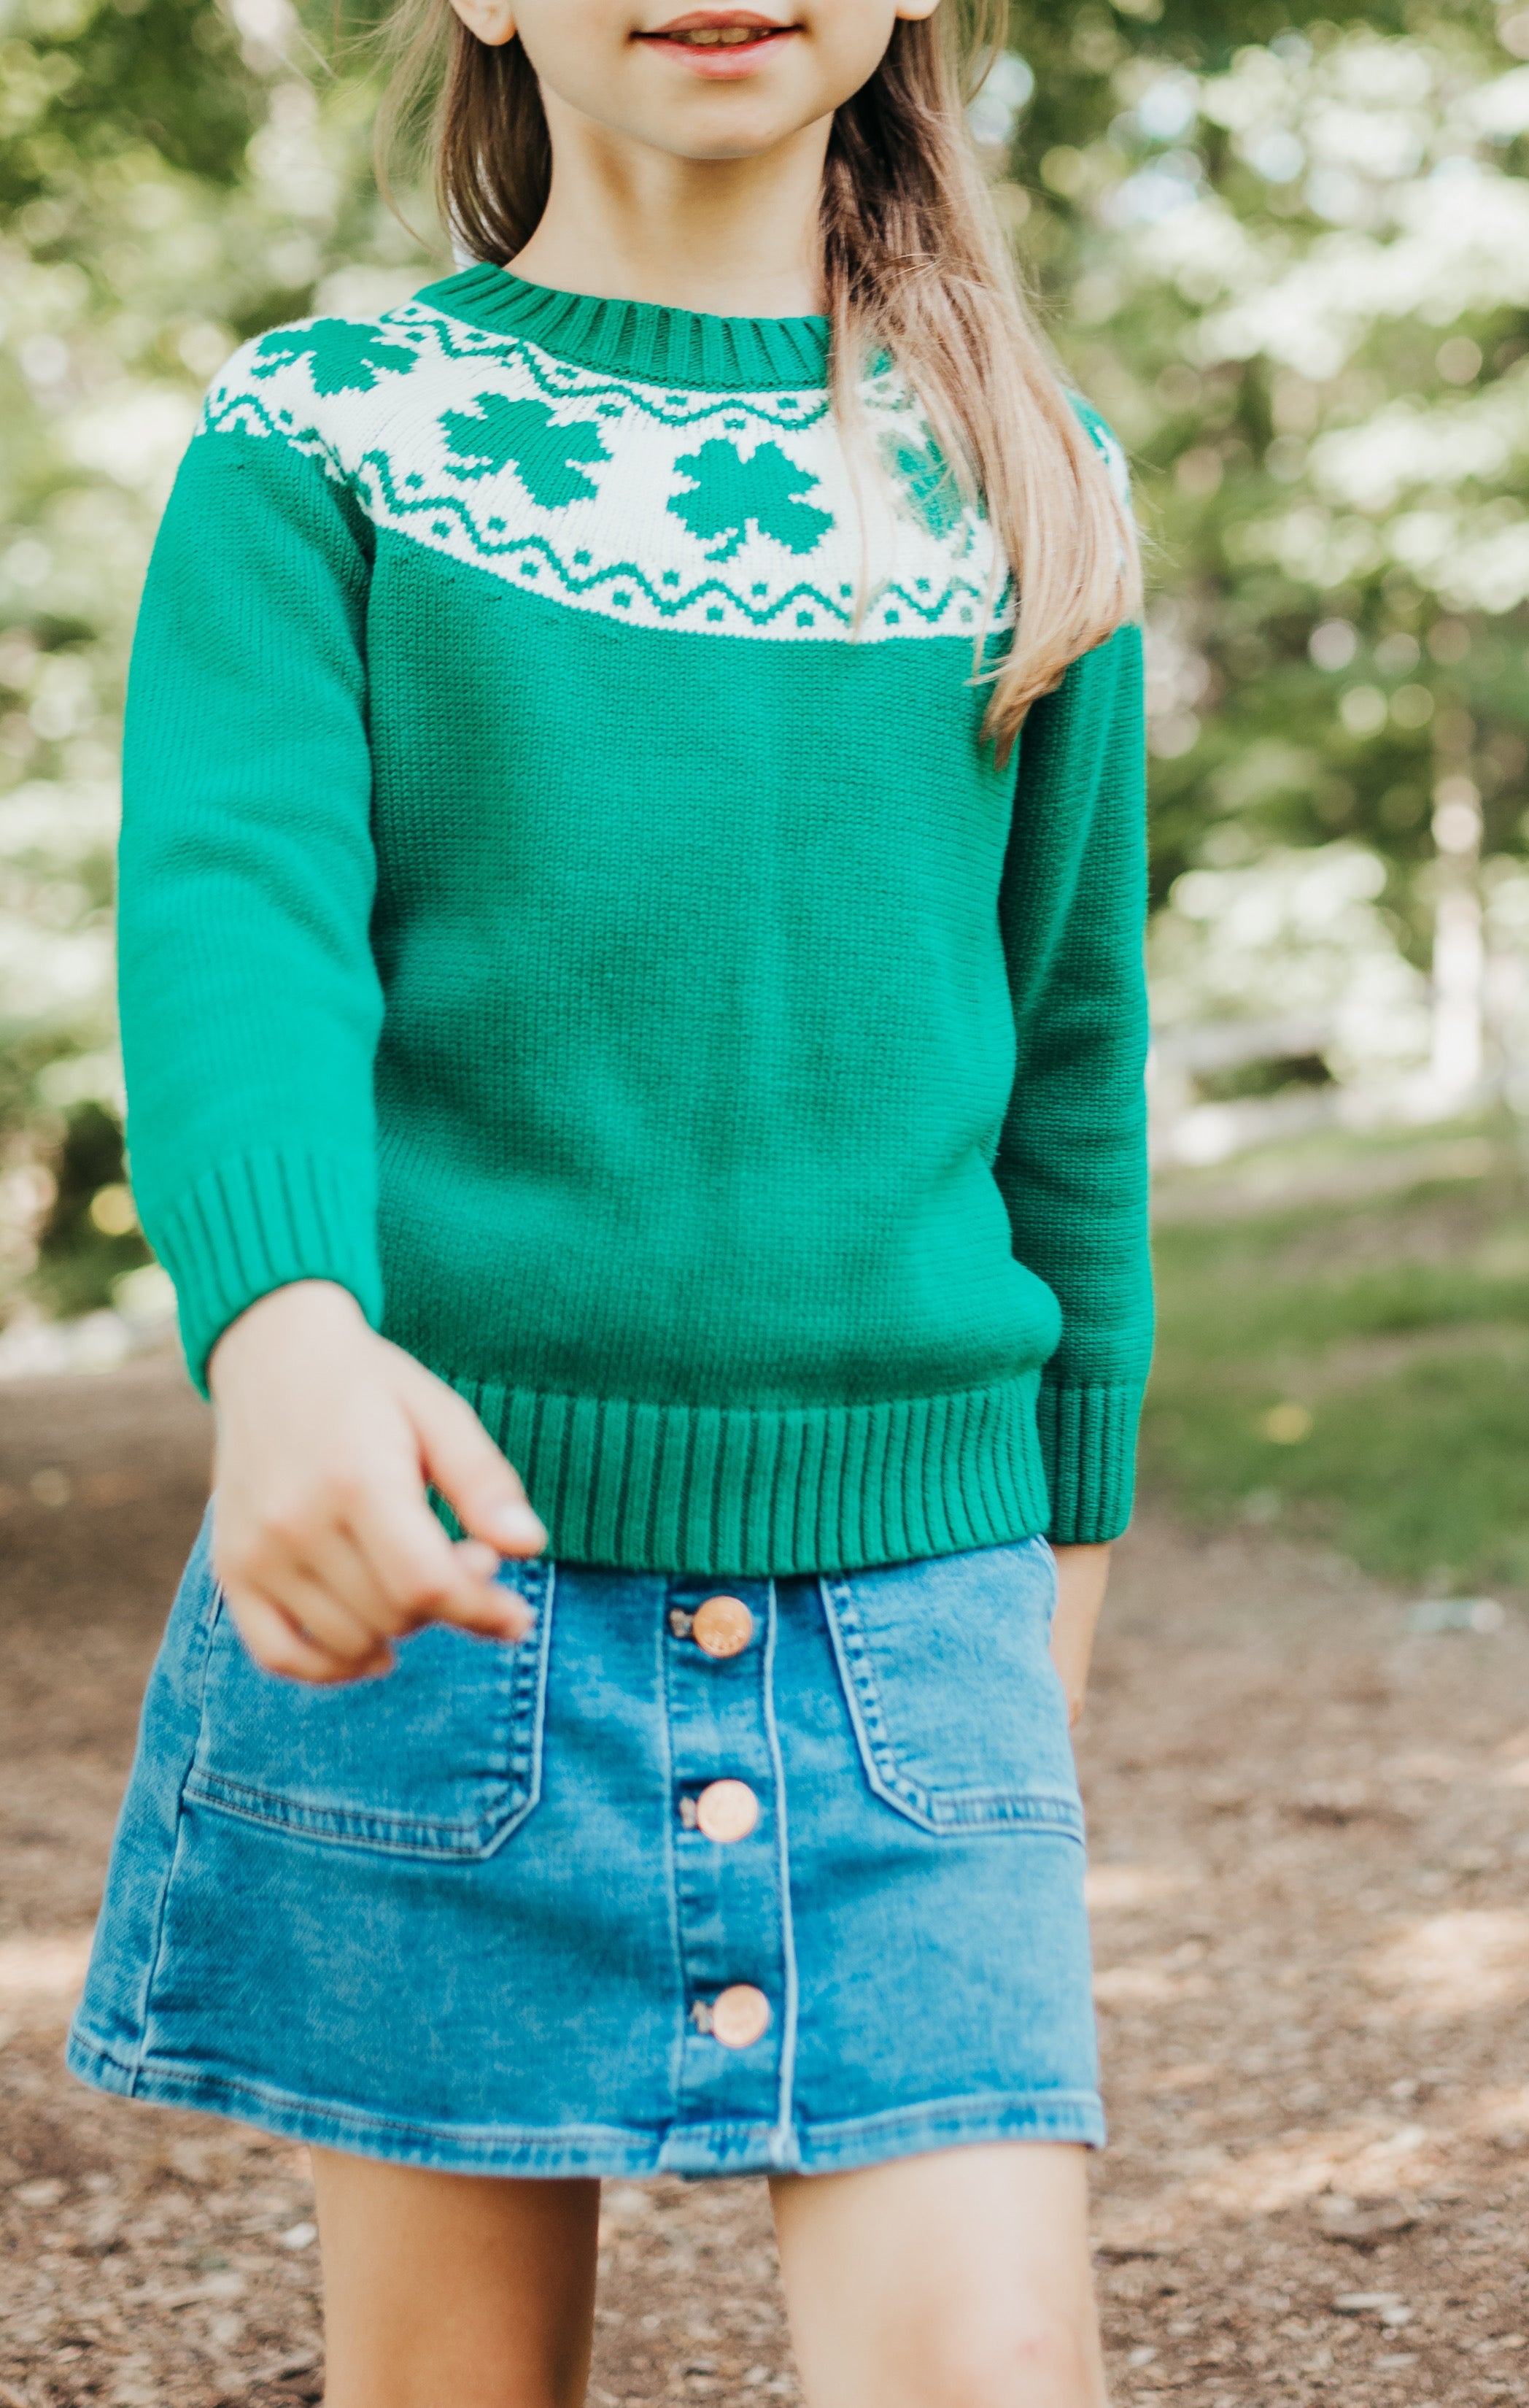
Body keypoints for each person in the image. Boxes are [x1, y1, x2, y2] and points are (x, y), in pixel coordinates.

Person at [68, 3, 1152, 2401]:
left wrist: (1041, 1652)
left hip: (921, 1647)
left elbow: (1073, 1086)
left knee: (991, 2368)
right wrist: (285, 1332)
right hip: (447, 1621)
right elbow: (231, 918)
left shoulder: (1033, 487)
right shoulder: (326, 435)